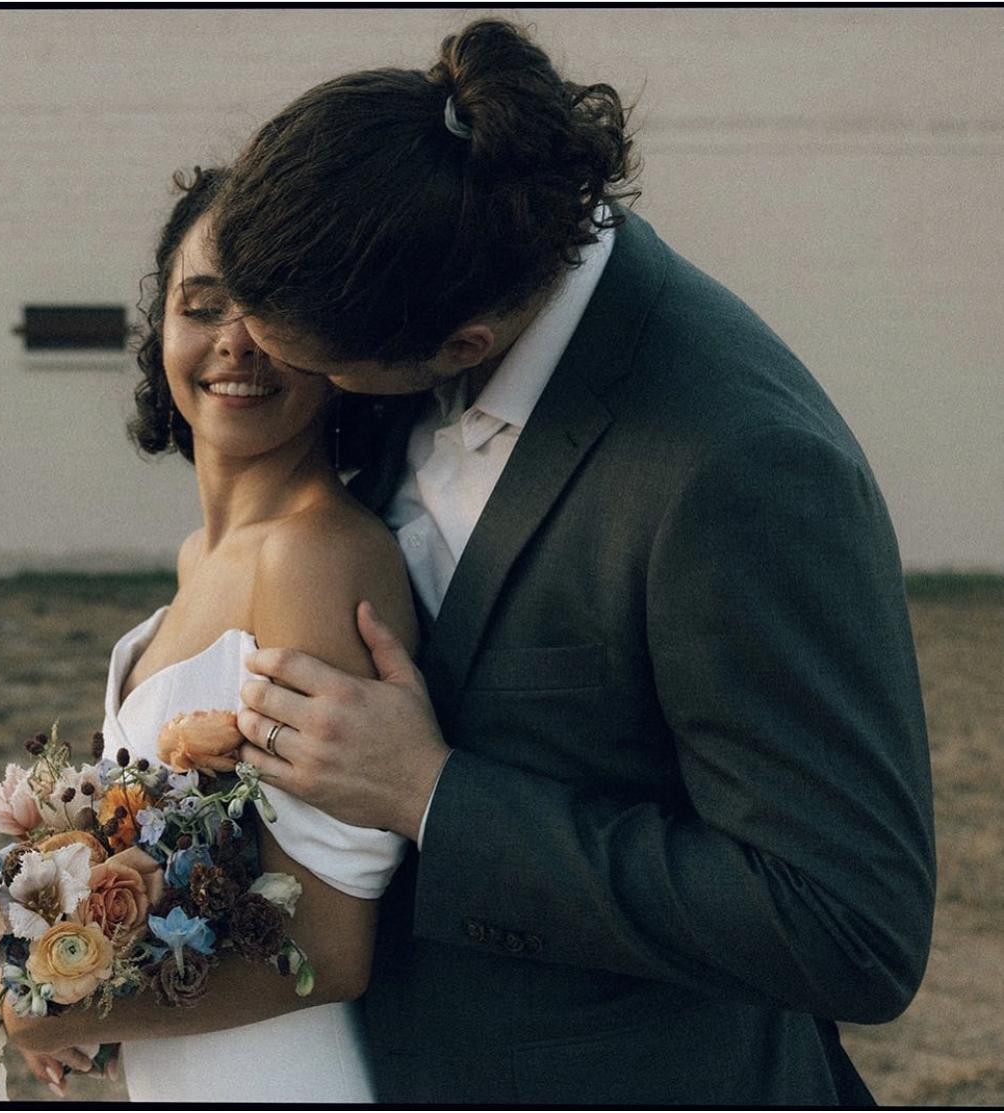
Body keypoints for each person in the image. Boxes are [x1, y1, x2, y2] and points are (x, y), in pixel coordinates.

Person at [215, 19, 938, 1105]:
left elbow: (846, 926)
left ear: (460, 345)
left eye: (324, 370)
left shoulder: (738, 467)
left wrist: (433, 794)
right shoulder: (439, 257)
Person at [0, 166, 419, 1102]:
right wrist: (65, 952)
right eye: (203, 305)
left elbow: (328, 944)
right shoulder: (202, 556)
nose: (236, 340)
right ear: (161, 331)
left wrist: (57, 1007)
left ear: (337, 347)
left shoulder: (314, 556)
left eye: (276, 310)